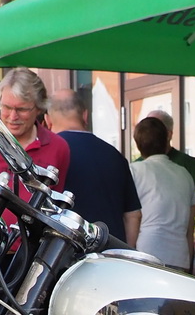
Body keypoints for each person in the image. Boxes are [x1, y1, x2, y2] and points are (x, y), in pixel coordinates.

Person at [48, 91, 141, 246]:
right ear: (85, 115)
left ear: (47, 119)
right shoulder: (114, 155)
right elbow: (134, 215)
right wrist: (126, 251)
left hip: (63, 254)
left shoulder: (50, 155)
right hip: (110, 254)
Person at [129, 117, 195, 270]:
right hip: (179, 255)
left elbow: (132, 217)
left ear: (138, 145)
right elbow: (190, 225)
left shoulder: (135, 171)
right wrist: (188, 259)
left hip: (146, 252)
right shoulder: (184, 174)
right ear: (167, 140)